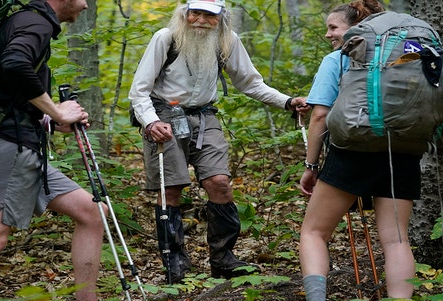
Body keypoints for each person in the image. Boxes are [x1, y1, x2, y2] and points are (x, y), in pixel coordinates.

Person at [129, 0, 308, 284]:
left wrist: (286, 102)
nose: (200, 20)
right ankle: (174, 261)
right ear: (184, 13)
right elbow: (139, 90)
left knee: (220, 183)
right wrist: (150, 121)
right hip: (163, 114)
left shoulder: (227, 40)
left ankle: (223, 258)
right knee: (171, 188)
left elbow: (249, 82)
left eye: (208, 15)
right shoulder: (165, 38)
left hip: (205, 115)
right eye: (195, 13)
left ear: (221, 17)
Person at [0, 0, 106, 301]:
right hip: (7, 149)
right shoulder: (34, 22)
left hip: (18, 145)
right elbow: (15, 63)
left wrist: (49, 122)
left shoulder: (25, 22)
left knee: (92, 211)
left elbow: (6, 93)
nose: (87, 5)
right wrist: (57, 111)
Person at [298, 1, 415, 301]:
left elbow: (320, 115)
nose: (328, 34)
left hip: (350, 154)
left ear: (356, 26)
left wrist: (310, 166)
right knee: (396, 240)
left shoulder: (337, 59)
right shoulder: (409, 56)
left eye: (333, 27)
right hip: (401, 152)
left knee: (313, 232)